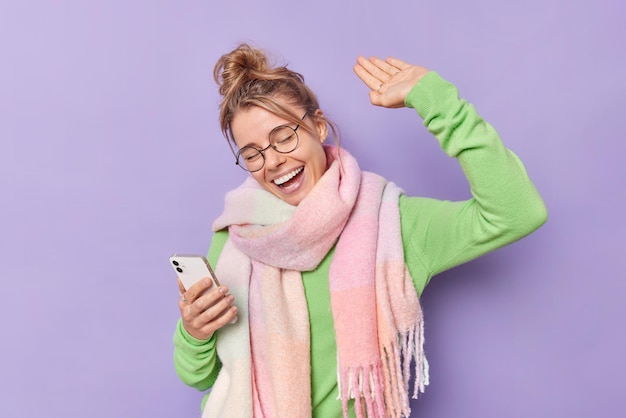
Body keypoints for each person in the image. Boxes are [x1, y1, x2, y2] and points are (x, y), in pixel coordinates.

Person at [172, 43, 547, 418]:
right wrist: (196, 332)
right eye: (252, 153)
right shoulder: (237, 236)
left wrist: (440, 104)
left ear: (318, 126)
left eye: (284, 136)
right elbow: (198, 376)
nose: (272, 161)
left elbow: (516, 212)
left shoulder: (392, 225)